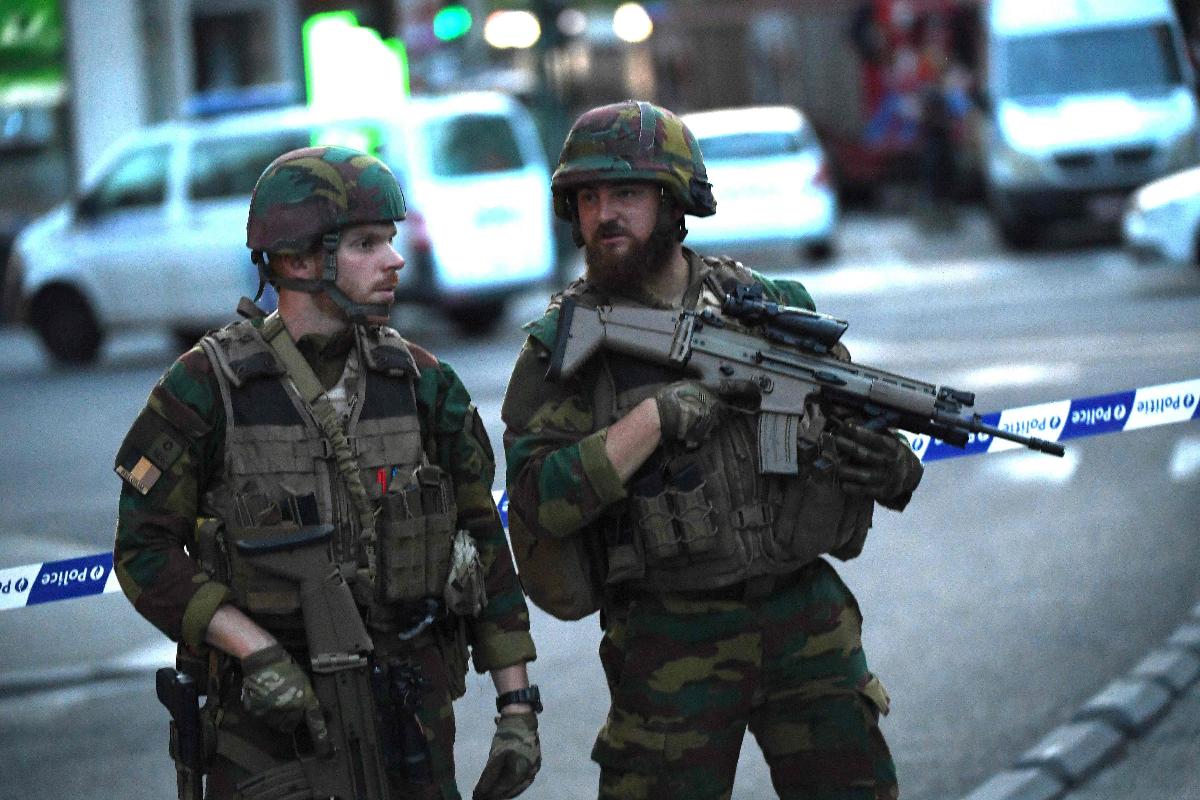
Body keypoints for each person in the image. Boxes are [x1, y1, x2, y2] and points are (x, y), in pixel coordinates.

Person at [501, 101, 923, 799]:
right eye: (588, 198)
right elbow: (539, 502)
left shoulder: (767, 304)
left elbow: (857, 420)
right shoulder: (566, 346)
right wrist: (654, 420)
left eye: (626, 194)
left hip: (805, 618)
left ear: (675, 203)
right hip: (669, 635)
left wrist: (895, 465)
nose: (604, 215)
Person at [113, 145, 541, 800]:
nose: (395, 260)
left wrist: (517, 708)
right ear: (297, 260)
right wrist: (252, 648)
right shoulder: (206, 388)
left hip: (409, 719)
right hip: (269, 725)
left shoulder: (422, 383)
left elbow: (482, 544)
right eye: (367, 243)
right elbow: (143, 551)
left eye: (390, 239)